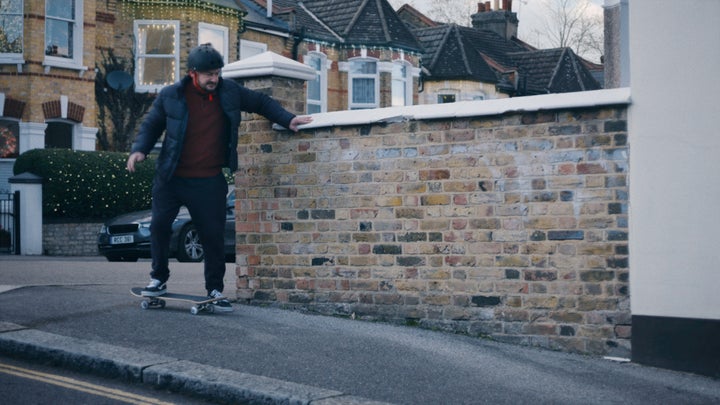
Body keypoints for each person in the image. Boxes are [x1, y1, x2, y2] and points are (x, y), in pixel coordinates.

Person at [126, 43, 312, 312]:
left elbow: (260, 102)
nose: (214, 79)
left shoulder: (229, 92)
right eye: (208, 74)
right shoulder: (171, 95)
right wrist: (139, 150)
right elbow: (151, 125)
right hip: (171, 177)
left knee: (212, 236)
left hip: (209, 180)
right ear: (193, 73)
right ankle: (158, 279)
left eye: (217, 73)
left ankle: (214, 289)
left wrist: (288, 119)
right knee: (159, 227)